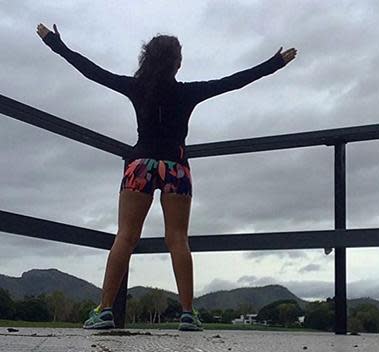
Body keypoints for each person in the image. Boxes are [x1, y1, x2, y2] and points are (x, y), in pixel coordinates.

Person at [36, 23, 296, 331]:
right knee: (178, 239)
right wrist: (274, 64)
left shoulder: (136, 88)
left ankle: (104, 310)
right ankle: (188, 314)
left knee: (126, 237)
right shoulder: (188, 92)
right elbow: (234, 82)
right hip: (176, 168)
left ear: (149, 59)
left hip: (141, 165)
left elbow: (91, 71)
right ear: (177, 63)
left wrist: (55, 43)